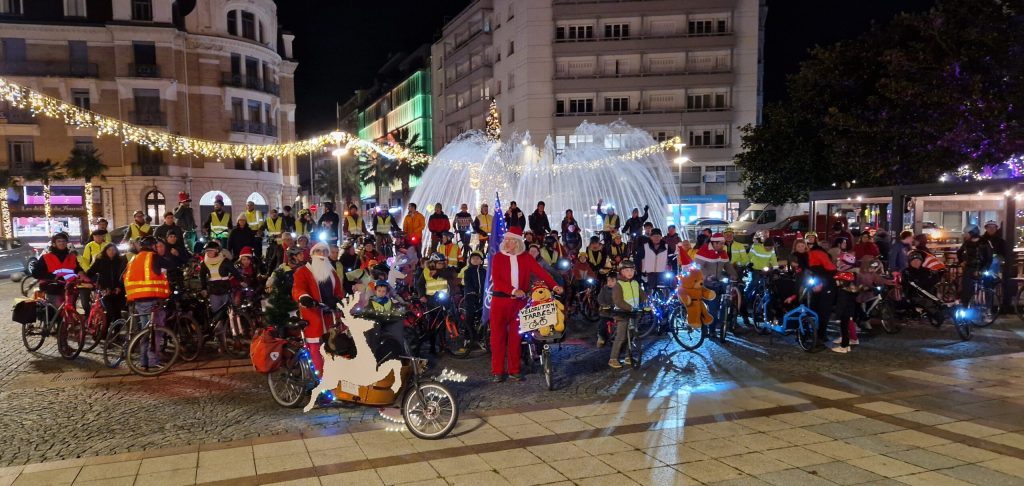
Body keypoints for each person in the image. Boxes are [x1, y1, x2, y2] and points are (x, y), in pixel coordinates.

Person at [488, 226, 561, 382]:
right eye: (506, 240)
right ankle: (497, 371)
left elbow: (541, 272)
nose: (506, 242)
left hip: (518, 304)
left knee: (516, 337)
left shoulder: (526, 258)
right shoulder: (498, 258)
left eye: (510, 240)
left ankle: (514, 369)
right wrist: (514, 290)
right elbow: (497, 281)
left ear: (517, 242)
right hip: (500, 302)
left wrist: (554, 285)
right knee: (497, 337)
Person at [293, 242, 345, 373]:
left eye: (325, 251)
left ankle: (334, 375)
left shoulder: (332, 272)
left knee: (333, 345)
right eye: (318, 251)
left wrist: (338, 299)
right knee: (316, 347)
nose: (322, 254)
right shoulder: (303, 271)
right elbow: (298, 288)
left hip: (330, 315)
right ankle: (321, 378)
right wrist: (304, 297)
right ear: (312, 253)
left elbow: (338, 291)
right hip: (313, 315)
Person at [123, 235, 171, 369]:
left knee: (145, 330)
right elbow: (170, 265)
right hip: (151, 299)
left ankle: (144, 361)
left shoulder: (134, 258)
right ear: (153, 246)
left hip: (138, 300)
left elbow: (123, 276)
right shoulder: (153, 257)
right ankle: (153, 361)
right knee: (155, 330)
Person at [694, 233, 731, 340]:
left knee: (714, 309)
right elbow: (698, 267)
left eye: (723, 243)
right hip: (704, 284)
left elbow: (727, 266)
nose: (723, 245)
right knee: (707, 309)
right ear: (714, 243)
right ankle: (707, 329)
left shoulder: (723, 253)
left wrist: (734, 275)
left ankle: (713, 329)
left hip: (716, 284)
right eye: (721, 243)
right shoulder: (703, 251)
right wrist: (706, 277)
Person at [609, 260, 644, 368]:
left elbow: (642, 295)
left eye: (632, 270)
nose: (630, 272)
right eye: (627, 270)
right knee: (621, 336)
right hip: (622, 314)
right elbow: (618, 301)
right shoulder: (618, 285)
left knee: (632, 335)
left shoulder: (635, 283)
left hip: (633, 314)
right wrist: (630, 308)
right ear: (621, 271)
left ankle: (628, 356)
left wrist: (647, 303)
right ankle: (613, 358)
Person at [34, 232, 82, 306]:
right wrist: (53, 276)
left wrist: (82, 274)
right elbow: (35, 273)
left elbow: (78, 270)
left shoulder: (72, 257)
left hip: (70, 287)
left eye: (64, 241)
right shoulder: (45, 257)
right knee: (57, 308)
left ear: (67, 243)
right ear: (54, 244)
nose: (62, 243)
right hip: (52, 286)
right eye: (59, 241)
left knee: (71, 308)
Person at [806, 234, 837, 343]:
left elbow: (829, 270)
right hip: (820, 284)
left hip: (826, 285)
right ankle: (817, 333)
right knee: (816, 308)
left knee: (822, 310)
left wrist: (820, 284)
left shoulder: (816, 253)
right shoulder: (812, 253)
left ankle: (821, 334)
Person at [86, 243, 126, 327]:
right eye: (109, 250)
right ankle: (105, 331)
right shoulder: (100, 261)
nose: (111, 252)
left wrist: (119, 287)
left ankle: (115, 332)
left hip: (117, 291)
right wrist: (95, 284)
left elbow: (123, 275)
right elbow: (90, 273)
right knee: (109, 311)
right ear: (105, 251)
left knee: (117, 313)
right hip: (104, 290)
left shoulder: (120, 261)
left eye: (113, 250)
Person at [199, 241, 239, 315]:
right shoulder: (204, 263)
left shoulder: (224, 261)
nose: (208, 252)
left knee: (230, 312)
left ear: (217, 251)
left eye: (211, 250)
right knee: (217, 313)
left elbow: (234, 272)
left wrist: (241, 281)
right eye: (207, 251)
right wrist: (204, 288)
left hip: (226, 290)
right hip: (213, 292)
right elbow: (202, 276)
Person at [956, 225, 992, 306]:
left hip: (981, 268)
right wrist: (961, 261)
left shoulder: (985, 242)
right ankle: (965, 306)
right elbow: (959, 252)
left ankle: (987, 307)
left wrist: (982, 270)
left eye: (967, 233)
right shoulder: (967, 242)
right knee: (966, 289)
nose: (965, 235)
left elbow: (989, 259)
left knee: (987, 287)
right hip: (969, 268)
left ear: (972, 233)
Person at [831, 271, 859, 353]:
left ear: (843, 282)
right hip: (849, 313)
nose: (836, 282)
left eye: (838, 280)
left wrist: (838, 317)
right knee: (846, 330)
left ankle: (843, 347)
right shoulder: (851, 291)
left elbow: (841, 306)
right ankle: (847, 346)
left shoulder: (842, 292)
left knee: (844, 331)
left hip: (844, 314)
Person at [596, 272, 617, 347]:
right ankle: (601, 338)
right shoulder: (604, 289)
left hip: (616, 312)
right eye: (608, 281)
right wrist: (604, 305)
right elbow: (600, 298)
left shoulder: (619, 289)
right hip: (605, 311)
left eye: (612, 281)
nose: (610, 283)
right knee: (602, 325)